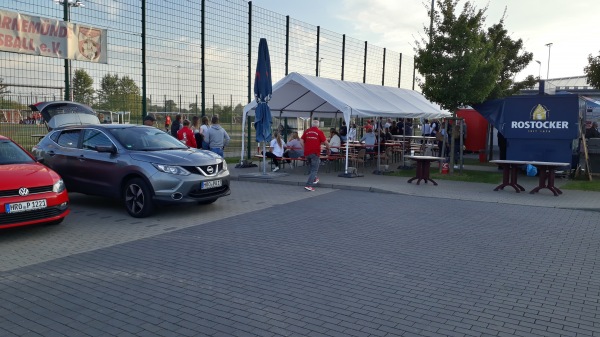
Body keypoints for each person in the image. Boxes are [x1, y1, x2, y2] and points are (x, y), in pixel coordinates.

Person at [301, 119, 329, 192]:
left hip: (307, 152)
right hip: (315, 152)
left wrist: (304, 148)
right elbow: (325, 142)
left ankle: (315, 178)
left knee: (311, 167)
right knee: (314, 169)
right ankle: (309, 185)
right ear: (318, 125)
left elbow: (301, 140)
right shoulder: (319, 132)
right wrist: (328, 148)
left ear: (312, 125)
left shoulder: (307, 131)